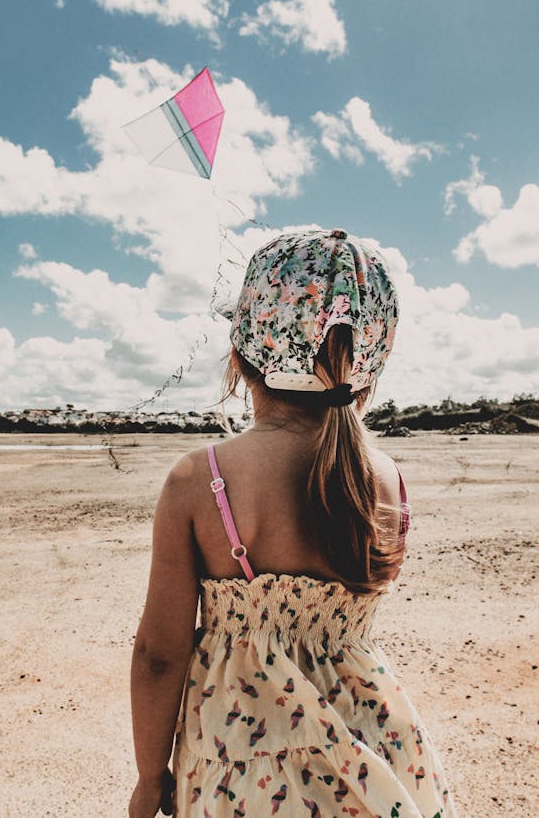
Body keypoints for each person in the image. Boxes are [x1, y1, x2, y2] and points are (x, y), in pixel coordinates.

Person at [129, 229, 459, 817]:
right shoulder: (385, 480)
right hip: (375, 747)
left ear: (242, 353)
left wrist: (150, 778)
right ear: (371, 357)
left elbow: (159, 653)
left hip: (243, 761)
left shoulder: (199, 480)